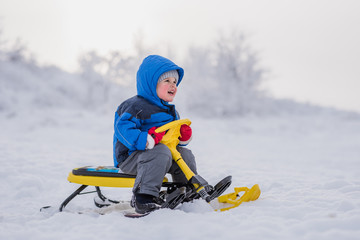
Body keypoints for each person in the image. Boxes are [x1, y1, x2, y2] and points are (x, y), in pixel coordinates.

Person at [113, 55, 196, 214]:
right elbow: (122, 128)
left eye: (174, 82)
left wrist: (183, 136)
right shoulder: (135, 106)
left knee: (184, 154)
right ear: (151, 84)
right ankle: (143, 197)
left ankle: (185, 190)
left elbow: (173, 140)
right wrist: (146, 139)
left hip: (160, 156)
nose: (173, 85)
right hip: (132, 157)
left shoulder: (171, 111)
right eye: (167, 81)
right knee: (160, 151)